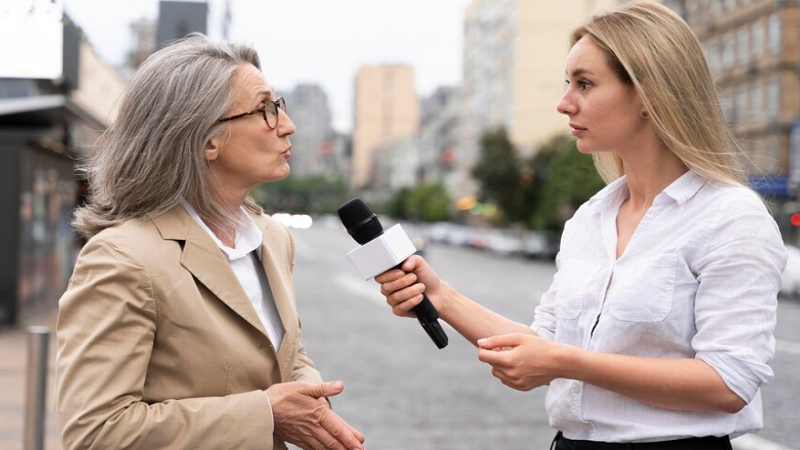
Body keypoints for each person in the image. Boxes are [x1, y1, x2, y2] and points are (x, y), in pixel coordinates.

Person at [375, 3, 786, 449]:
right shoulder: (591, 217)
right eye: (567, 83)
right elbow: (544, 343)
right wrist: (440, 295)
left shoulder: (729, 217)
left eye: (585, 84)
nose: (564, 102)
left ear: (650, 95)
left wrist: (565, 362)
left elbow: (728, 382)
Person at [55, 34, 366, 450]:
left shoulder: (271, 238)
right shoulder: (122, 258)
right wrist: (267, 415)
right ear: (207, 139)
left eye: (281, 106)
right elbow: (95, 433)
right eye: (265, 110)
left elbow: (282, 351)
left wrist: (309, 399)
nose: (287, 125)